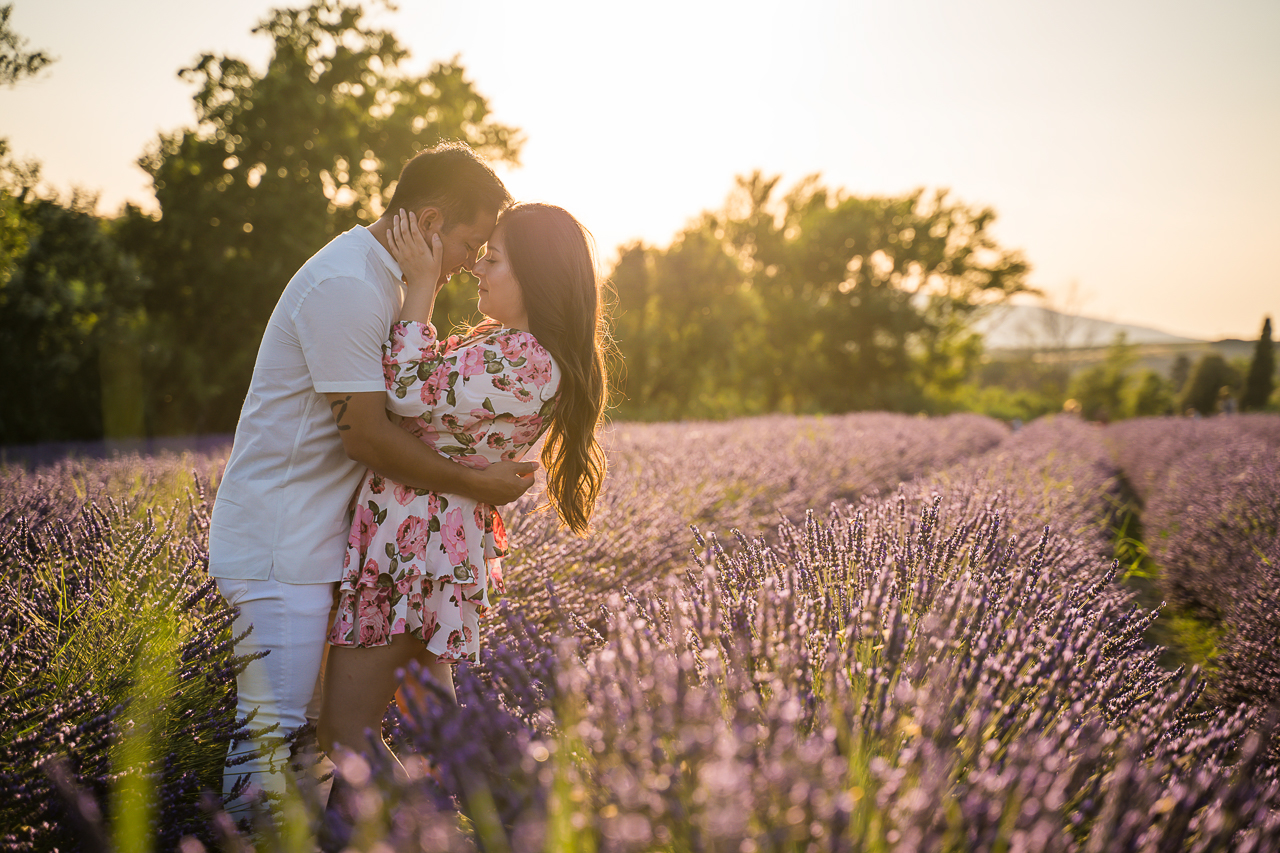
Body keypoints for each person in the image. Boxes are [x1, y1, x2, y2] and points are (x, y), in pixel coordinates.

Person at [208, 142, 537, 814]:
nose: (472, 262)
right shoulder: (352, 287)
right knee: (272, 751)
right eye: (471, 242)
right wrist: (478, 482)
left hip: (330, 546)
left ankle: (489, 819)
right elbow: (366, 433)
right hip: (281, 548)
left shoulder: (386, 282)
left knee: (318, 749)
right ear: (432, 219)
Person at [316, 201, 608, 776]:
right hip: (423, 544)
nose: (477, 268)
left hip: (411, 548)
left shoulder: (524, 358)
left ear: (536, 277)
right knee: (443, 731)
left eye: (493, 259)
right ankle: (502, 823)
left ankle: (440, 833)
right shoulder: (512, 347)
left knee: (346, 733)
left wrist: (421, 282)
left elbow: (404, 390)